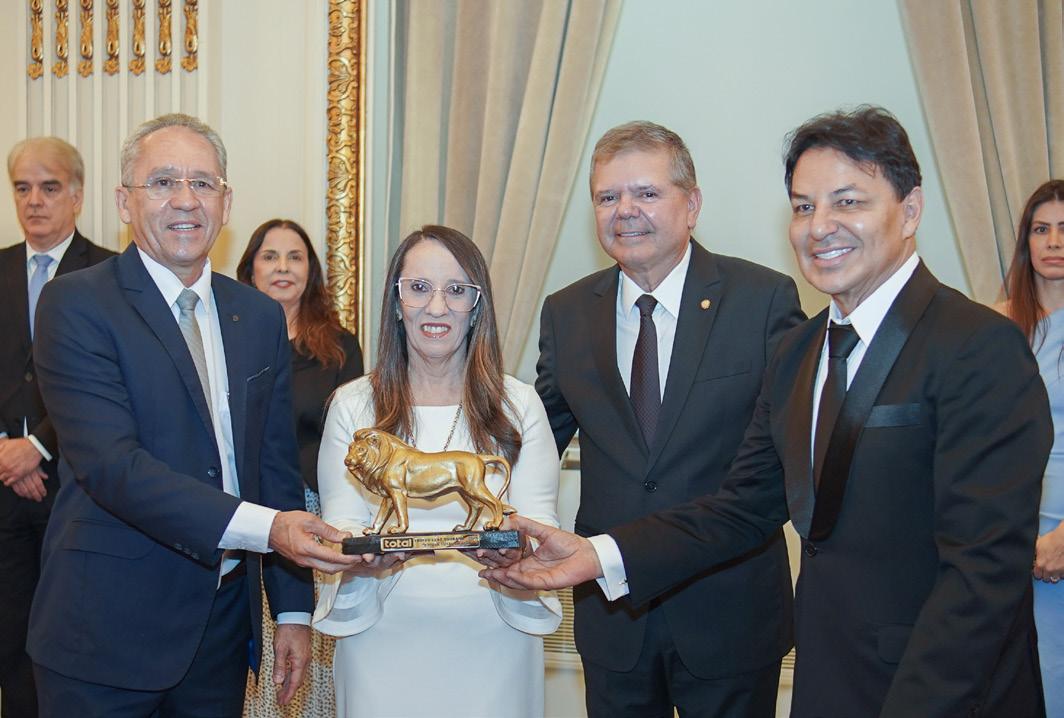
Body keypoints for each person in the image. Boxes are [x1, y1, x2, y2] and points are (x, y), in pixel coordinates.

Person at [484, 106, 1052, 717]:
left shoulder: (978, 345)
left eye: (848, 202)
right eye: (804, 206)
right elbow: (743, 507)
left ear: (910, 210)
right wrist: (597, 556)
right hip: (826, 675)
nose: (821, 226)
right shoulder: (801, 352)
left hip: (937, 689)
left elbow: (984, 573)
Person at [27, 113, 364, 717]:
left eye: (203, 183)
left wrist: (291, 610)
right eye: (162, 182)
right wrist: (269, 530)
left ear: (226, 202)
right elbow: (113, 468)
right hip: (105, 633)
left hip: (221, 632)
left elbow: (273, 468)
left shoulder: (257, 317)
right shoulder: (76, 304)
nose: (185, 200)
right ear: (123, 201)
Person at [534, 120, 803, 717]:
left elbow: (786, 460)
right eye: (607, 196)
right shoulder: (567, 312)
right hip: (614, 617)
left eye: (647, 193)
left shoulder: (762, 300)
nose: (625, 211)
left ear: (692, 205)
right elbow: (535, 443)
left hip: (728, 613)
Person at [313, 225, 562, 717]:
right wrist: (362, 557)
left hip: (493, 634)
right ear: (396, 301)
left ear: (477, 305)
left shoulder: (519, 404)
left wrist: (517, 551)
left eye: (456, 290)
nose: (437, 307)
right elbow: (341, 524)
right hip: (381, 634)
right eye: (420, 287)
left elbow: (540, 525)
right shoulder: (352, 404)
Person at [0, 137, 114, 718]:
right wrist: (6, 451)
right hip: (3, 490)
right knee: (11, 644)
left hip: (77, 488)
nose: (34, 201)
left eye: (49, 187)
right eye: (22, 188)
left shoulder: (109, 273)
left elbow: (108, 383)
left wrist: (39, 446)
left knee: (74, 641)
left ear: (77, 195)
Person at [237, 218, 364, 716]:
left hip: (317, 512)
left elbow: (356, 441)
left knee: (312, 645)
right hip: (247, 511)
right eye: (270, 256)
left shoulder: (339, 346)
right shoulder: (230, 341)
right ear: (250, 269)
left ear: (311, 271)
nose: (283, 267)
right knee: (259, 646)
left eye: (295, 257)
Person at [997, 179, 1064, 717]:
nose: (1054, 241)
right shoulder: (993, 325)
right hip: (1010, 526)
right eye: (1041, 229)